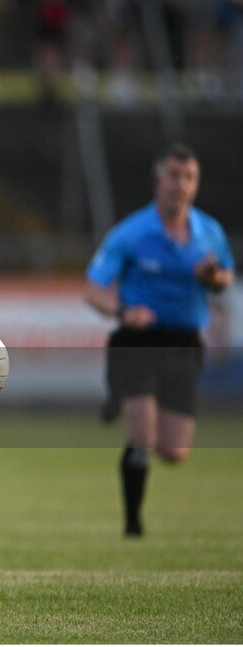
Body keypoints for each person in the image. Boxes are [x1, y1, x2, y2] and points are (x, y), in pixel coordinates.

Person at [85, 143, 234, 538]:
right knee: (143, 436)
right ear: (158, 180)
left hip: (184, 343)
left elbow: (226, 277)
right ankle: (133, 525)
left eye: (189, 178)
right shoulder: (131, 232)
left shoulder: (209, 232)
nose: (180, 185)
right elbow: (93, 290)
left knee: (174, 452)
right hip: (138, 340)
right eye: (174, 175)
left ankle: (118, 394)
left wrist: (212, 279)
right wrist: (122, 312)